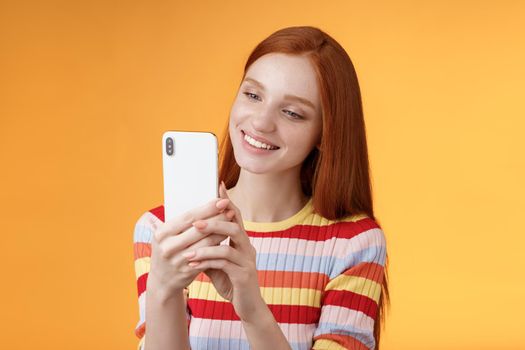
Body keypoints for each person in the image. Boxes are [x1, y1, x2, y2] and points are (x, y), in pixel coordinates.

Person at [133, 25, 390, 350]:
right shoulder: (160, 230)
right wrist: (163, 291)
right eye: (253, 95)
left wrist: (252, 308)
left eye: (292, 113)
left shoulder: (353, 244)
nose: (261, 122)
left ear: (326, 134)